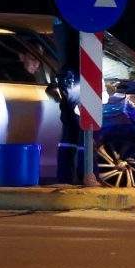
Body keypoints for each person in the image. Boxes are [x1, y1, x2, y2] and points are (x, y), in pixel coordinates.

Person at [52, 17, 84, 184]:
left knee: (70, 131)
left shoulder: (62, 19)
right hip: (76, 80)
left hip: (69, 80)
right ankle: (85, 174)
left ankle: (66, 177)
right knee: (82, 132)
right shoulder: (76, 21)